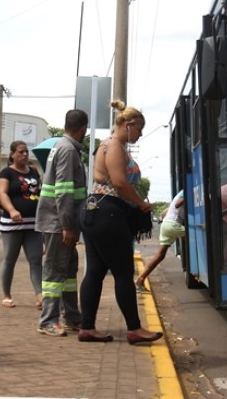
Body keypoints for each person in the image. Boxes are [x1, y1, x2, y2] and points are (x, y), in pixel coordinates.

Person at [77, 100, 163, 344]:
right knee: (124, 272)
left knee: (95, 271)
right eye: (139, 129)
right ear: (128, 125)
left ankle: (87, 327)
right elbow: (120, 182)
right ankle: (134, 329)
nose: (140, 134)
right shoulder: (114, 145)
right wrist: (141, 203)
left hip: (94, 209)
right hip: (108, 212)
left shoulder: (104, 145)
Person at [36, 109, 88, 337]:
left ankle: (72, 318)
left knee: (68, 271)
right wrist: (67, 225)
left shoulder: (61, 146)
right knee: (55, 271)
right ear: (83, 129)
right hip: (59, 223)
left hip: (60, 221)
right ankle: (48, 321)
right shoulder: (68, 150)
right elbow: (64, 190)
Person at [0, 140, 43, 309]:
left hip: (33, 224)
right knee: (10, 259)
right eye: (20, 152)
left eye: (26, 152)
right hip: (13, 224)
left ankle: (40, 295)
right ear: (12, 154)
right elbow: (2, 193)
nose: (24, 155)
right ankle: (6, 295)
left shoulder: (34, 171)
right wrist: (12, 210)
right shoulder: (6, 173)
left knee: (36, 259)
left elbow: (40, 192)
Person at [134, 190, 185, 292]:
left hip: (166, 224)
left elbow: (164, 212)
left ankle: (140, 279)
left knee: (160, 255)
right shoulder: (187, 191)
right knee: (196, 237)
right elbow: (177, 204)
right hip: (173, 224)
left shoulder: (178, 193)